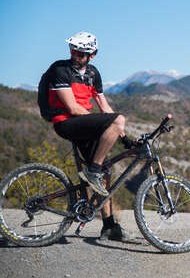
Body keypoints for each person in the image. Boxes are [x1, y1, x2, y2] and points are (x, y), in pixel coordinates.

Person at [47, 31, 134, 241]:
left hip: (85, 124)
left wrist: (122, 134)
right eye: (73, 50)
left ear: (91, 55)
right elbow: (72, 108)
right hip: (66, 123)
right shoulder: (60, 70)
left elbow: (105, 108)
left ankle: (109, 227)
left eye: (80, 53)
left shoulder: (93, 74)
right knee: (97, 169)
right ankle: (93, 171)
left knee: (104, 173)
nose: (74, 55)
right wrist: (111, 122)